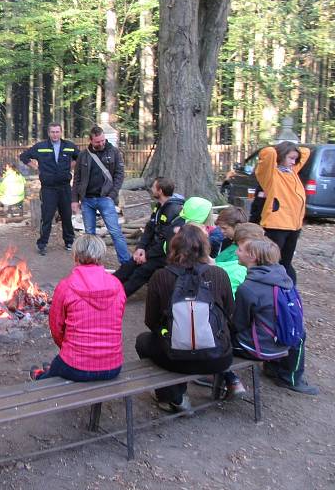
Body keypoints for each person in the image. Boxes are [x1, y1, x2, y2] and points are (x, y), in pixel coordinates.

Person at [135, 225, 234, 412]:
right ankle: (227, 382)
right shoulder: (219, 274)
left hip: (175, 357)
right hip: (218, 356)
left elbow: (151, 321)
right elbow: (229, 313)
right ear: (206, 248)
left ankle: (173, 396)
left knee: (143, 341)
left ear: (173, 247)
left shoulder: (160, 276)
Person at [30, 234, 126, 382]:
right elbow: (117, 319)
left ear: (75, 257)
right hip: (112, 367)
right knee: (58, 364)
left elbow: (56, 327)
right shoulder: (117, 285)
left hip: (76, 366)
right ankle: (54, 367)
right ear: (100, 256)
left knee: (58, 366)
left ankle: (39, 376)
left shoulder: (66, 286)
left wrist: (67, 347)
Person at [236, 238, 318, 395]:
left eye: (240, 250)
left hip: (260, 348)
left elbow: (239, 324)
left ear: (252, 256)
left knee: (220, 339)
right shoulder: (285, 279)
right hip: (288, 339)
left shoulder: (248, 288)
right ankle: (287, 374)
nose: (236, 253)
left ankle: (228, 381)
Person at [113, 177, 184, 297]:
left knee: (142, 271)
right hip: (152, 249)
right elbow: (150, 228)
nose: (151, 190)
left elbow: (166, 242)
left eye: (153, 187)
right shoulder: (159, 206)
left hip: (164, 253)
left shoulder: (173, 211)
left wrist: (147, 255)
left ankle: (119, 296)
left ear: (160, 191)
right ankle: (108, 285)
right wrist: (141, 248)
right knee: (130, 264)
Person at [71, 126, 129, 265]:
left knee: (115, 232)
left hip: (106, 198)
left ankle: (126, 263)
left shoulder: (114, 152)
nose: (101, 143)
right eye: (97, 142)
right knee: (89, 235)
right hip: (87, 200)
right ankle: (91, 264)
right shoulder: (83, 155)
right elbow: (77, 179)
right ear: (90, 141)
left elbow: (119, 175)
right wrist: (74, 199)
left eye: (103, 140)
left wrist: (112, 194)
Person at [254, 141, 310, 284]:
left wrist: (292, 150)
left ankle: (287, 294)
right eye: (291, 158)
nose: (294, 162)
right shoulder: (271, 175)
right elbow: (268, 153)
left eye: (295, 159)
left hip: (293, 226)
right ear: (281, 156)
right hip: (276, 226)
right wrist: (279, 149)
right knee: (272, 263)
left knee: (286, 263)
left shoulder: (292, 172)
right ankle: (271, 291)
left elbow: (306, 152)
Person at [20, 123, 78, 255]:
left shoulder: (69, 146)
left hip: (64, 187)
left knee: (67, 216)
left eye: (57, 132)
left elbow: (79, 157)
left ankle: (69, 242)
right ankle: (42, 244)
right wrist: (36, 167)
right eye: (52, 132)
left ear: (61, 132)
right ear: (48, 133)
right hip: (48, 188)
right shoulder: (41, 147)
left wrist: (70, 166)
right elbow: (24, 156)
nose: (55, 134)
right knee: (47, 217)